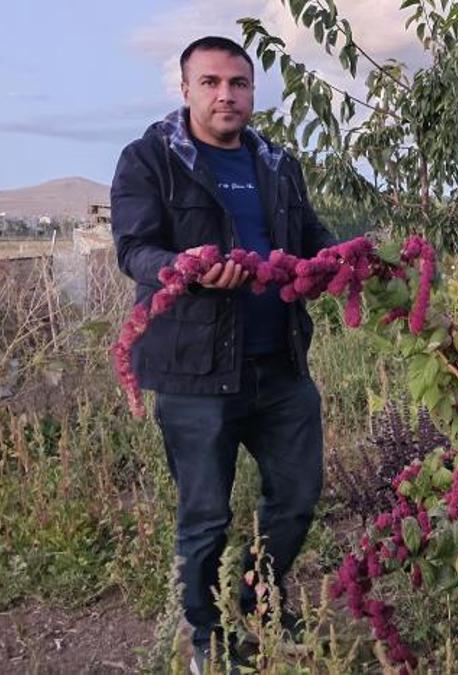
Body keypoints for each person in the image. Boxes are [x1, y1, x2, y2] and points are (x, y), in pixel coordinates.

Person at [109, 35, 338, 673]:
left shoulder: (276, 161)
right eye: (210, 82)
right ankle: (206, 639)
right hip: (194, 374)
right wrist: (183, 268)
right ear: (185, 89)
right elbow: (134, 248)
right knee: (205, 516)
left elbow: (312, 234)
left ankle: (256, 602)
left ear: (252, 91)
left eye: (237, 83)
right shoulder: (149, 160)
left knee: (297, 497)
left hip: (281, 366)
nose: (225, 95)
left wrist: (345, 258)